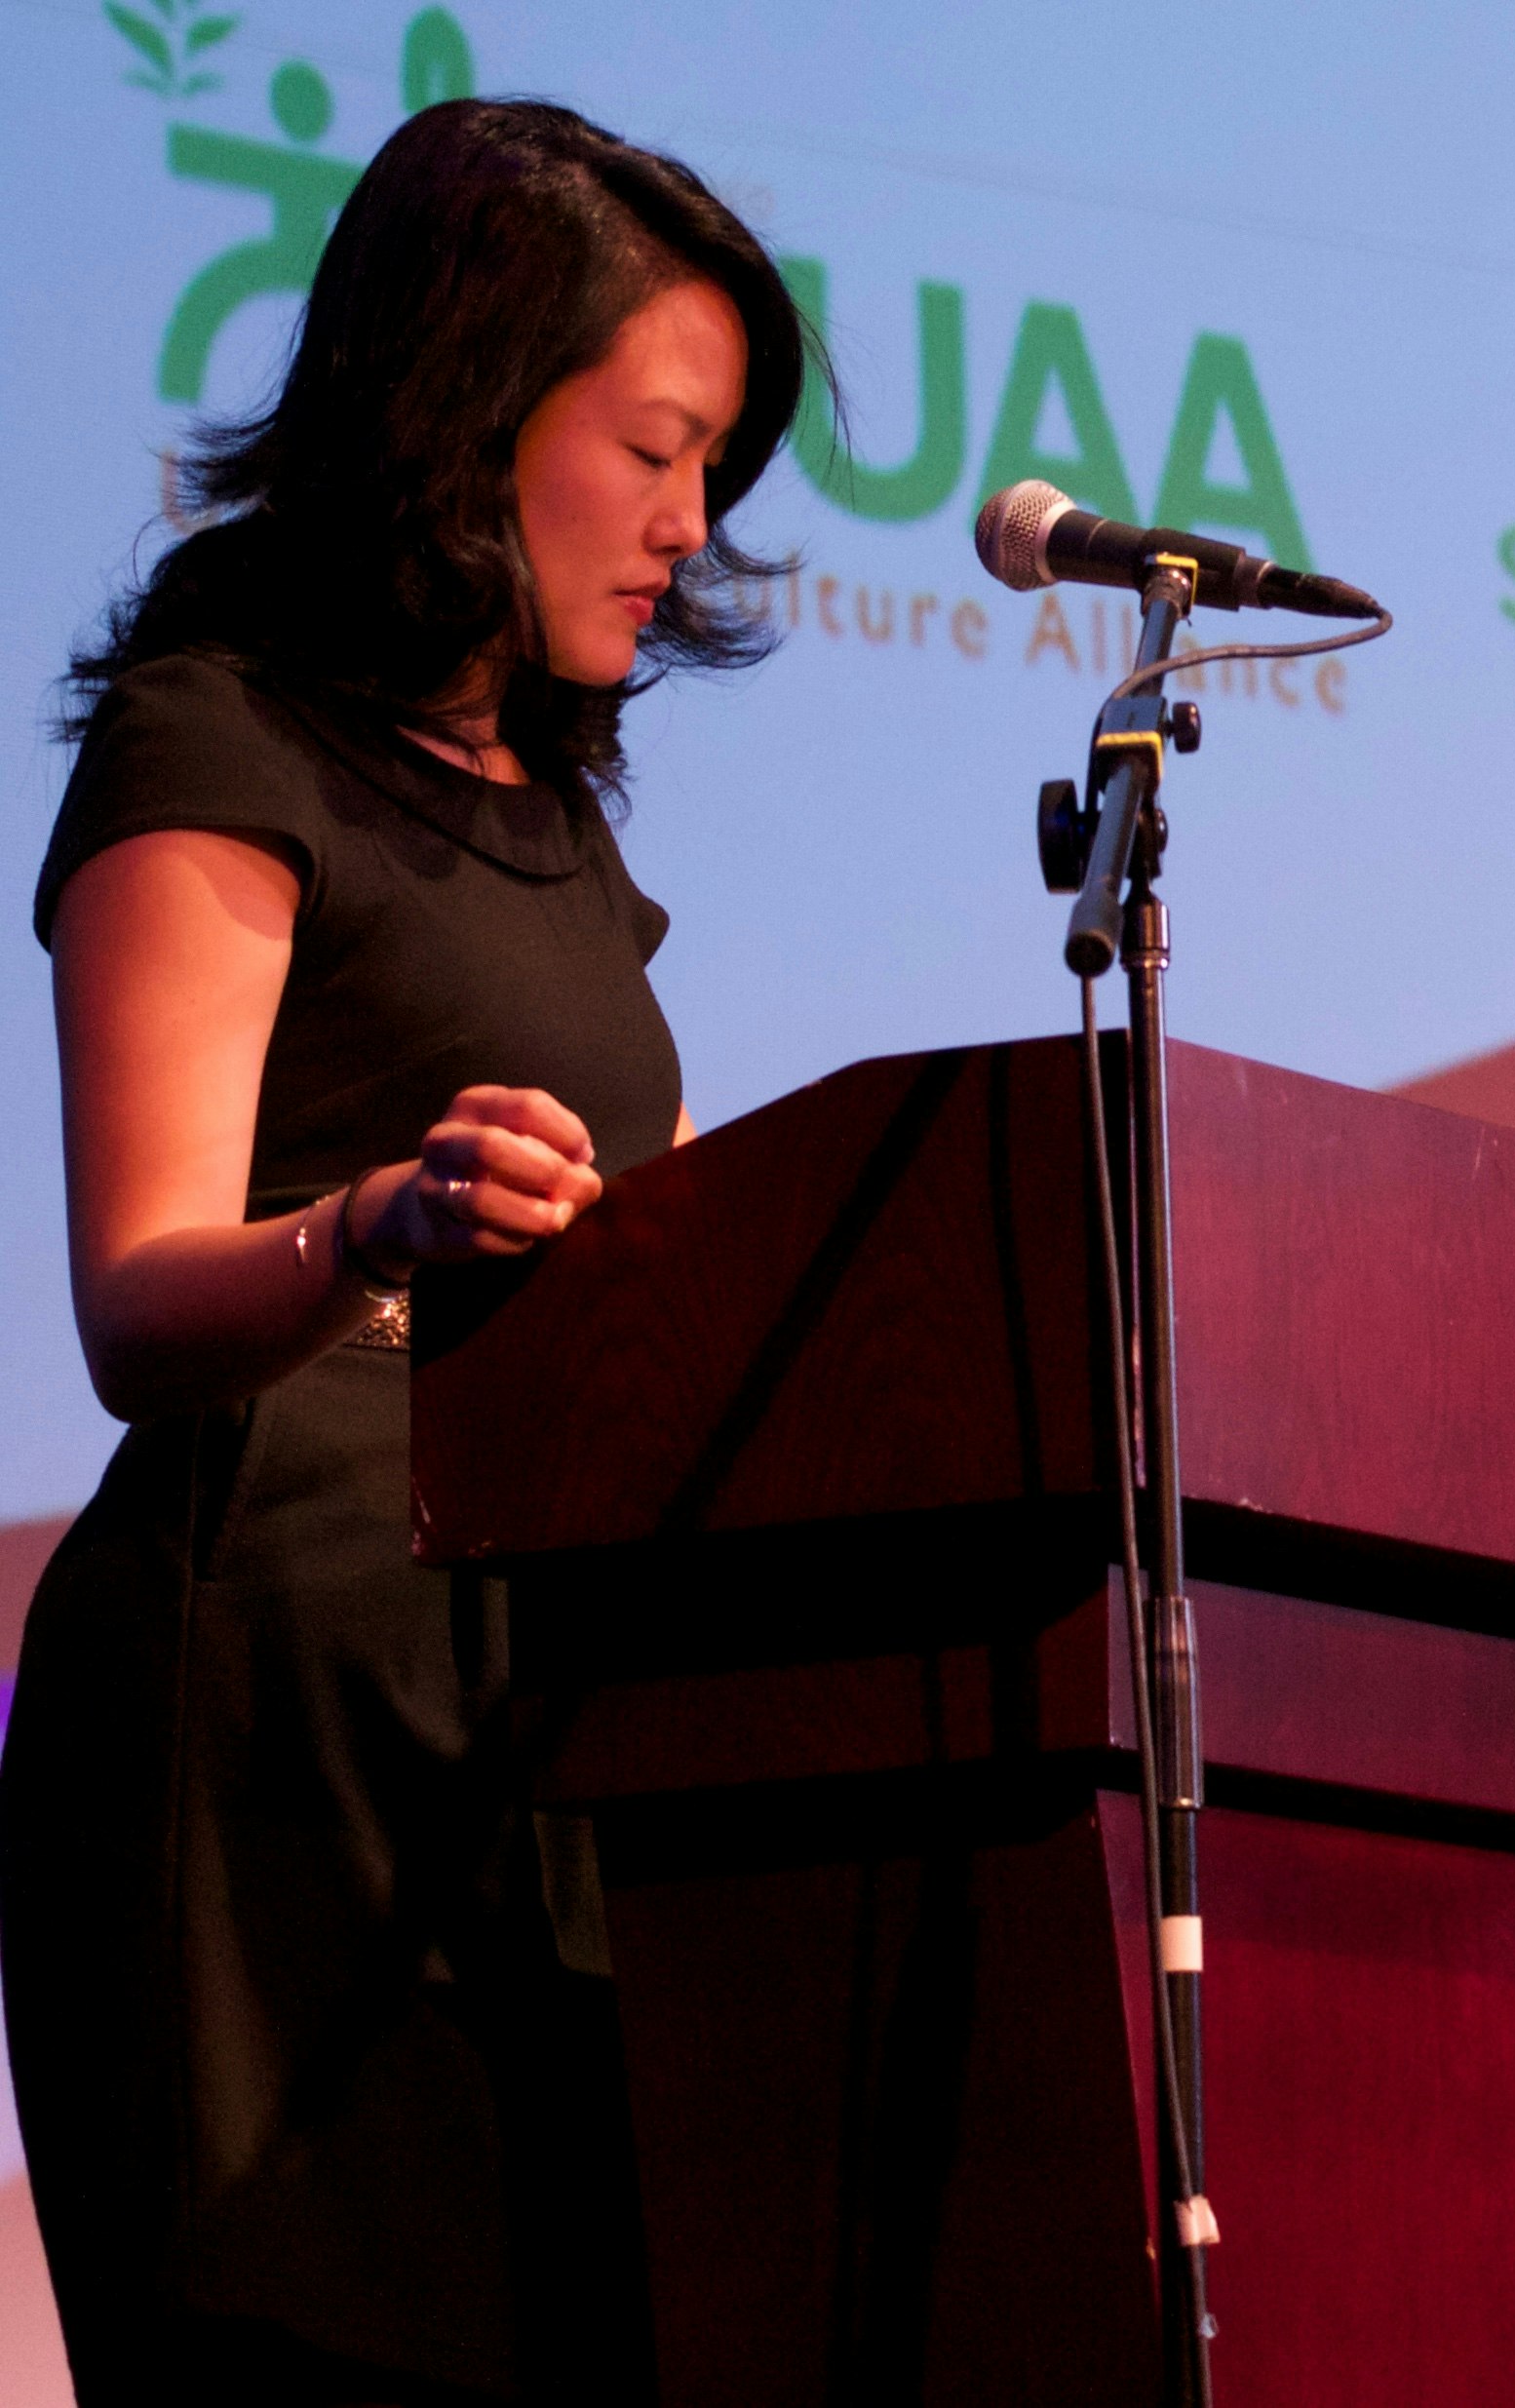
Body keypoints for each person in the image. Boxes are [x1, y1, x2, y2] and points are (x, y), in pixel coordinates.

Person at [3, 99, 804, 2401]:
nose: (690, 522)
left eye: (713, 464)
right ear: (470, 411)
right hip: (274, 1733)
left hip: (537, 1724)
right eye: (653, 449)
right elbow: (137, 1290)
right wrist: (377, 1219)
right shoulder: (219, 732)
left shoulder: (554, 819)